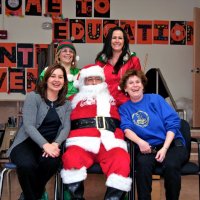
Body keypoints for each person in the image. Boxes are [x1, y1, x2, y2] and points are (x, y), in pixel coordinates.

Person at [61, 64, 132, 200]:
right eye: (89, 79)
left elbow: (133, 100)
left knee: (121, 160)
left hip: (110, 142)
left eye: (97, 79)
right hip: (80, 143)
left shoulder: (113, 97)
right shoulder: (72, 100)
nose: (94, 82)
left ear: (102, 81)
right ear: (83, 82)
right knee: (71, 158)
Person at [118, 69, 188, 200]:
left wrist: (165, 148)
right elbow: (126, 129)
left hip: (171, 144)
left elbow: (173, 123)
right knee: (142, 166)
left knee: (171, 166)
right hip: (147, 147)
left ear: (143, 85)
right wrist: (140, 142)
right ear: (125, 88)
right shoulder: (124, 108)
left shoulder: (156, 99)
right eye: (131, 83)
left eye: (138, 82)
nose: (135, 85)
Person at [7, 64, 72, 200]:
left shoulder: (66, 104)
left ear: (64, 82)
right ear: (46, 79)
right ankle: (34, 196)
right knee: (26, 165)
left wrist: (55, 144)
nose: (56, 80)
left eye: (60, 77)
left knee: (51, 163)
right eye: (53, 76)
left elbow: (66, 128)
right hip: (26, 143)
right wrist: (45, 145)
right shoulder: (33, 97)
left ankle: (27, 196)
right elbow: (29, 126)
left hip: (51, 145)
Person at [95, 26, 142, 106]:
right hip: (106, 105)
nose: (117, 41)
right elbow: (96, 84)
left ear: (124, 41)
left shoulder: (133, 60)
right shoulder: (101, 61)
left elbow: (138, 84)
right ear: (109, 40)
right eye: (114, 38)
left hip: (128, 105)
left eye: (120, 38)